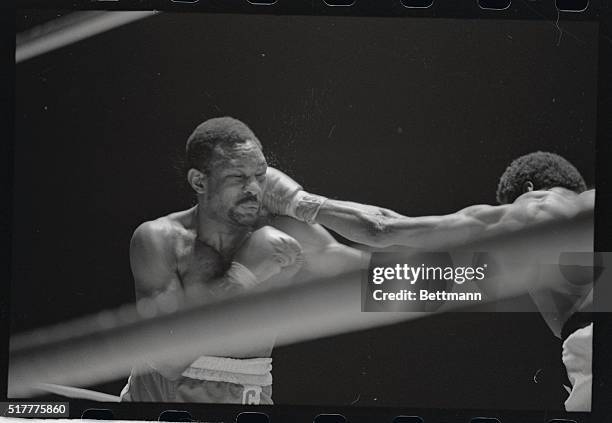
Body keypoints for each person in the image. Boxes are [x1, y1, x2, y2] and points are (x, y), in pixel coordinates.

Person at [264, 151, 594, 411]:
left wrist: (296, 202)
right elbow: (429, 280)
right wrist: (330, 254)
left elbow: (383, 229)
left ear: (527, 189)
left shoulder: (535, 208)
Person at [120, 117, 369, 404]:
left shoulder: (283, 232)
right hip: (157, 398)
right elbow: (168, 361)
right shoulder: (160, 239)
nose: (254, 189)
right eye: (238, 177)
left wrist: (432, 284)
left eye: (260, 175)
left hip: (244, 394)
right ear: (199, 181)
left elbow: (361, 277)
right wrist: (241, 277)